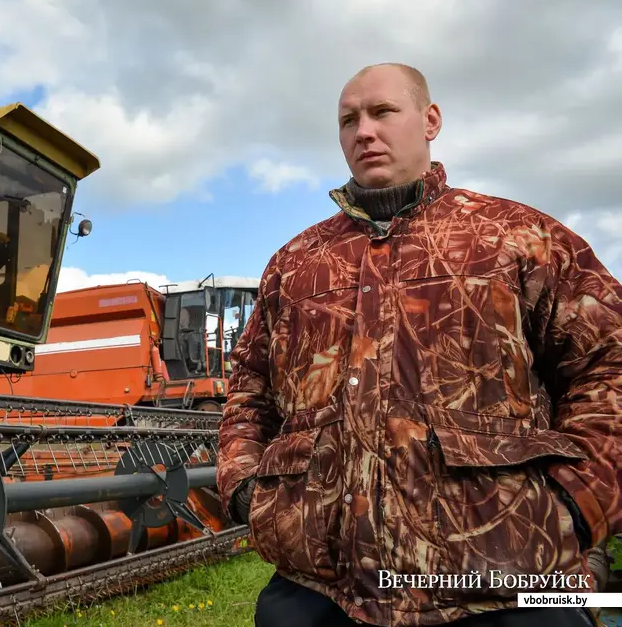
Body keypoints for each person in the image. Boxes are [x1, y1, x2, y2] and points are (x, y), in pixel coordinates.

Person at [216, 62, 622, 627]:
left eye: (383, 112)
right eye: (347, 120)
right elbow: (248, 394)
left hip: (506, 586)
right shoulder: (296, 264)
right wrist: (247, 494)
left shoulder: (516, 237)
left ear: (430, 120)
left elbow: (610, 366)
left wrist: (577, 505)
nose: (363, 131)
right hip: (320, 592)